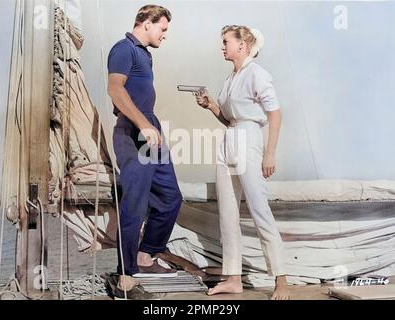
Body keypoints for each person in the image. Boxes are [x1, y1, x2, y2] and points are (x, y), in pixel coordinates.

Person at [195, 25, 290, 300]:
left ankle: (281, 280)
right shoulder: (230, 77)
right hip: (230, 139)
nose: (222, 46)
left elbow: (275, 114)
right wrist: (212, 105)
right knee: (227, 213)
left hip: (249, 140)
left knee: (260, 210)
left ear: (243, 46)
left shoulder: (258, 74)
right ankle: (233, 278)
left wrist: (269, 153)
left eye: (226, 42)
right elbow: (229, 119)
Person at [107, 5, 182, 297]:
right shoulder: (123, 48)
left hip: (150, 127)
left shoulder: (145, 54)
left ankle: (145, 255)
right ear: (146, 23)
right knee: (135, 202)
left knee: (170, 196)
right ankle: (127, 272)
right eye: (162, 28)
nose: (165, 35)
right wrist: (142, 124)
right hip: (133, 129)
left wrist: (151, 126)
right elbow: (115, 89)